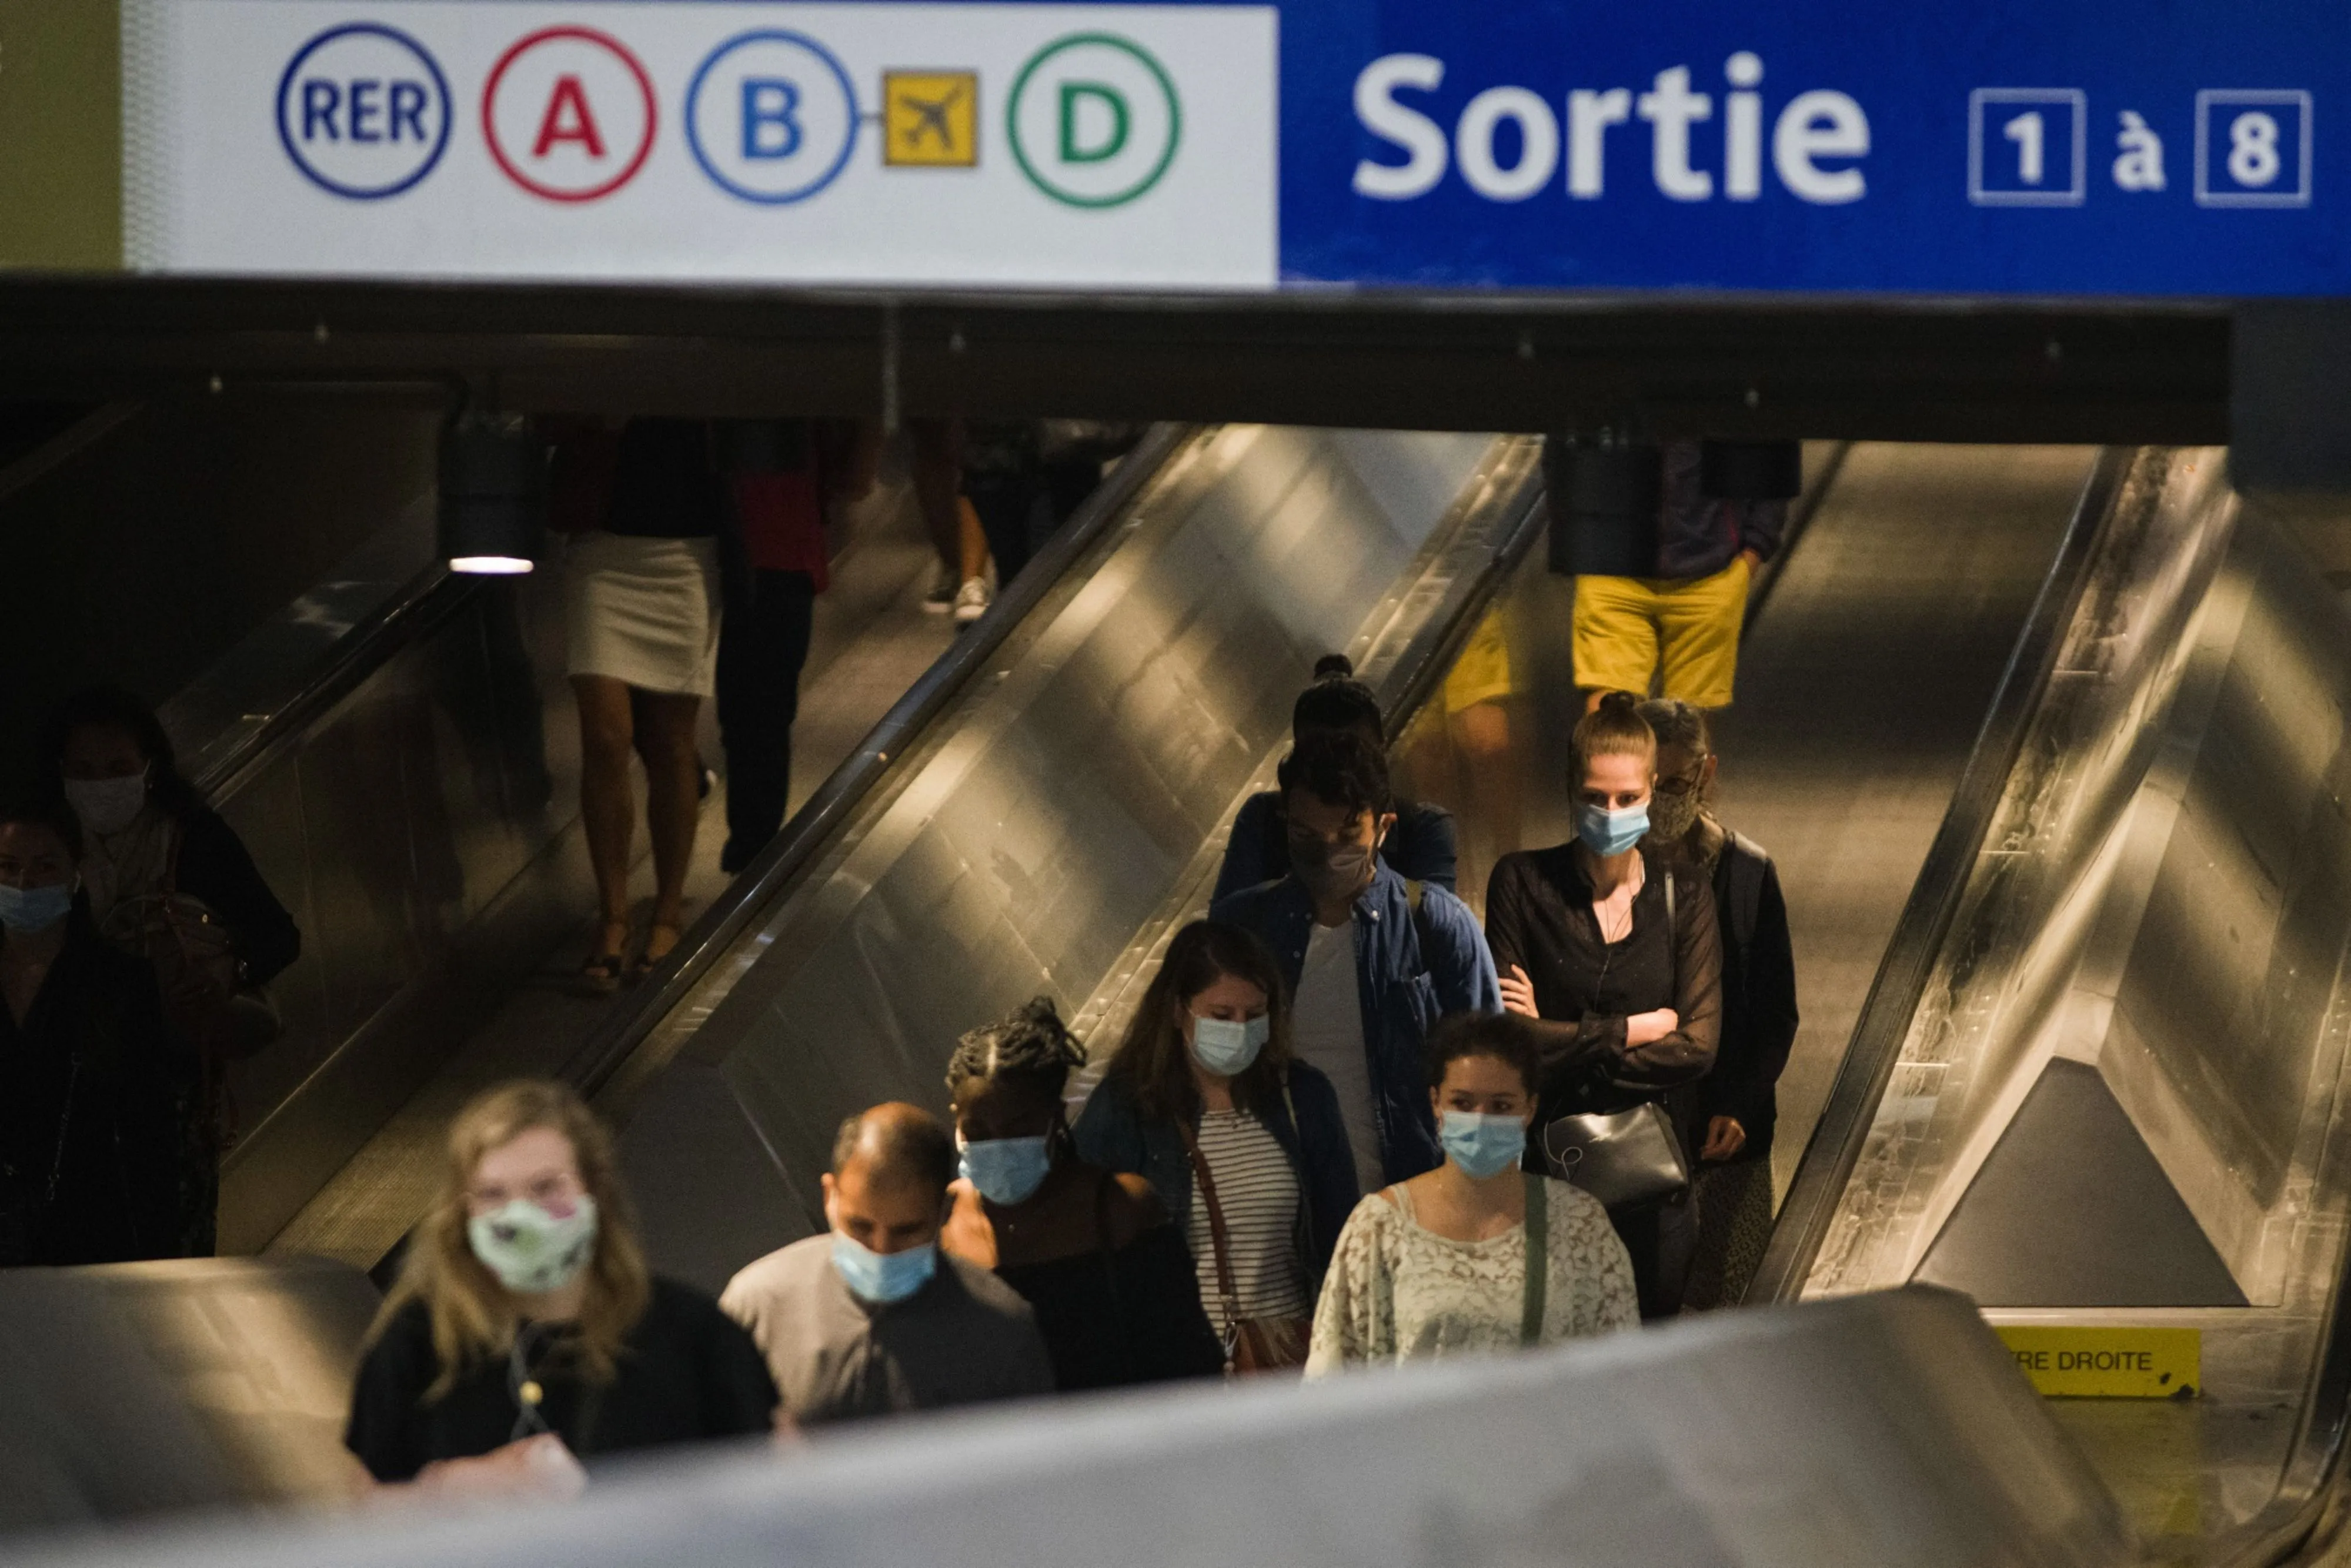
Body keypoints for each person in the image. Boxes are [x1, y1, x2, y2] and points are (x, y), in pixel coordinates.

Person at [346, 1080, 776, 1492]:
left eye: (546, 1187)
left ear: (595, 1190)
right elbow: (366, 1505)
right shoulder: (418, 1340)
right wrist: (449, 1488)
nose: (521, 1215)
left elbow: (779, 1479)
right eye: (493, 1194)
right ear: (462, 1210)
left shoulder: (692, 1331)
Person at [1484, 693, 1722, 1319]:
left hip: (1654, 1187)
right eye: (1595, 797)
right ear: (1571, 789)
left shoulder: (1684, 892)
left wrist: (1557, 1038)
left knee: (1651, 1348)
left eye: (1626, 798)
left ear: (1651, 791)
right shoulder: (1521, 883)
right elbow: (1513, 1045)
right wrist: (1638, 1028)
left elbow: (1697, 1047)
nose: (1610, 813)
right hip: (1548, 1181)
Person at [42, 685, 303, 1253]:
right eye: (84, 771)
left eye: (118, 768)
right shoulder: (42, 847)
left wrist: (228, 972)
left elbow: (278, 935)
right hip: (70, 1079)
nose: (100, 784)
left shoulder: (191, 837)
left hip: (171, 1079)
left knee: (168, 1239)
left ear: (149, 767)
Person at [1210, 730, 1500, 1198]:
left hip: (1413, 1207)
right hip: (1283, 1210)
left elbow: (1493, 1079)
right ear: (1286, 824)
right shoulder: (1243, 928)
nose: (1326, 853)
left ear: (1383, 828)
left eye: (1346, 836)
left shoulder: (1436, 924)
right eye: (1306, 835)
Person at [1073, 921, 1360, 1372]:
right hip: (1180, 1367)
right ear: (1178, 1011)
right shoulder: (1128, 1108)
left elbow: (1341, 1236)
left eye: (1255, 1015)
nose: (1240, 1030)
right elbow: (1087, 1242)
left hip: (1288, 1359)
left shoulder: (1302, 1097)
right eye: (1222, 1016)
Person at [1305, 1012, 1637, 1373]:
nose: (1480, 1119)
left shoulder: (1579, 1225)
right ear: (1436, 1101)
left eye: (1501, 1106)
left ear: (1530, 1108)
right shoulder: (1378, 1227)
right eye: (1463, 1103)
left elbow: (1621, 1371)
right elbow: (1333, 1373)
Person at [938, 997, 1223, 1389]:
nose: (998, 1145)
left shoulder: (1120, 1210)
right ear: (956, 1120)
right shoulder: (943, 1221)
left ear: (1056, 1118)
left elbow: (1189, 1363)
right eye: (978, 1132)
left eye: (1019, 1129)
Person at [721, 1102, 1054, 1425]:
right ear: (830, 1196)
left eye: (906, 1231)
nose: (882, 1250)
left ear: (944, 1211)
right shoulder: (758, 1306)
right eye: (860, 1226)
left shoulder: (1003, 1332)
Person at [1638, 698, 1799, 1311]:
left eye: (1675, 785)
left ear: (1706, 773)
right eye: (1648, 784)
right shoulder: (1602, 871)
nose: (1660, 801)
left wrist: (1740, 1105)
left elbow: (1775, 1012)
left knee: (1726, 1301)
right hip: (1634, 1136)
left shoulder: (1746, 874)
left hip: (1726, 1140)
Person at [562, 418, 724, 987]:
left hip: (687, 548)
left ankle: (667, 914)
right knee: (606, 737)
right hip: (602, 547)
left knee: (671, 741)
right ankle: (612, 918)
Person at [0, 795, 188, 1268]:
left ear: (76, 873)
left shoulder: (116, 983)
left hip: (89, 1233)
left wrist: (159, 1262)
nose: (24, 883)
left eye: (45, 865)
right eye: (8, 866)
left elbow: (151, 1135)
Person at [713, 419, 880, 874]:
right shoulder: (802, 392)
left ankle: (753, 847)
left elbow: (853, 476)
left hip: (757, 546)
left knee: (752, 714)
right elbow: (853, 477)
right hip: (772, 547)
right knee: (759, 715)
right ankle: (754, 848)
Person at [1558, 437, 1784, 711]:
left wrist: (1753, 552)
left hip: (1708, 576)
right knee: (1610, 716)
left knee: (1688, 722)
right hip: (1612, 570)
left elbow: (1772, 450)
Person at [1211, 656, 1460, 903]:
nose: (1338, 772)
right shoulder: (1263, 817)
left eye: (1354, 755)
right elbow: (1226, 922)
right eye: (1321, 758)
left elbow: (1435, 921)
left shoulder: (1422, 829)